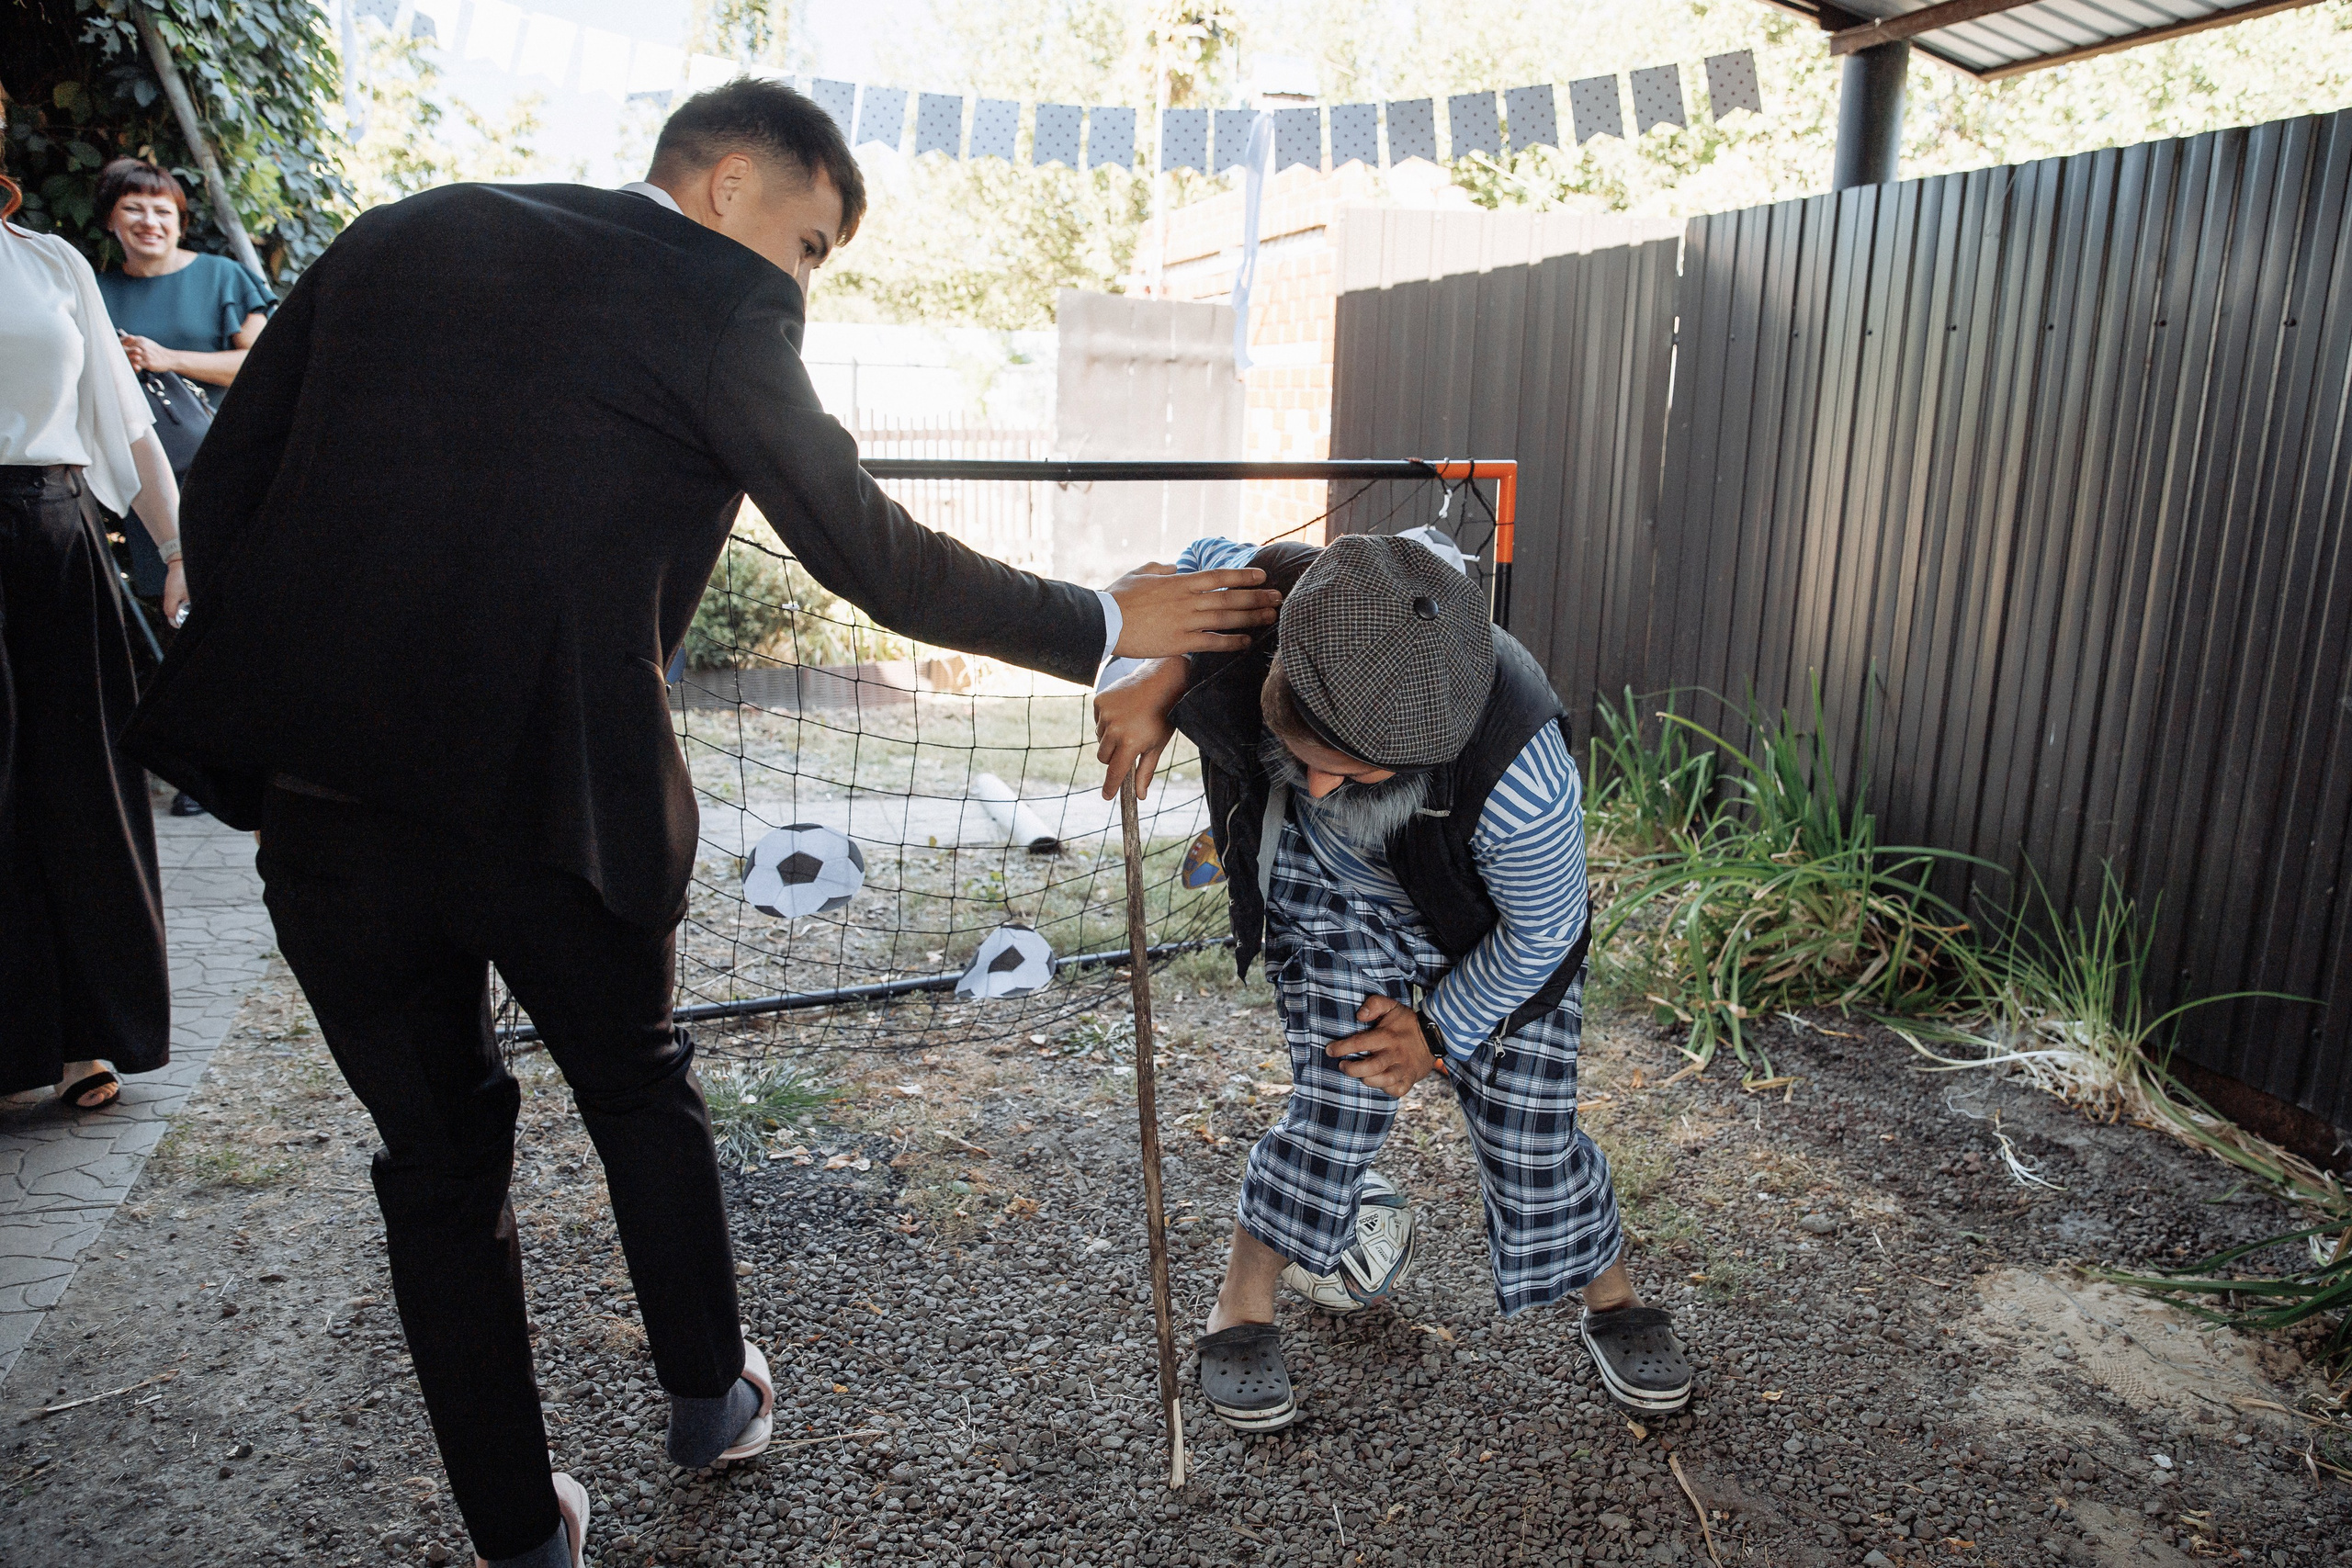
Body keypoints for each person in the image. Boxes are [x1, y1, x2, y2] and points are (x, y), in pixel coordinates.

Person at [121, 80, 1279, 1568]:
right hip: (567, 807)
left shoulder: (399, 235)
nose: (797, 282)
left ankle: (519, 1531)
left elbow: (228, 484)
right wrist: (1109, 618)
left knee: (434, 1160)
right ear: (734, 184)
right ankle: (709, 1399)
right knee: (636, 1084)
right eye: (808, 244)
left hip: (330, 816)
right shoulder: (717, 294)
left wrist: (278, 691)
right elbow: (870, 555)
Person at [1093, 533, 1693, 1434]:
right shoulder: (1304, 593)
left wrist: (1441, 1029)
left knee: (1528, 1128)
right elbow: (1168, 585)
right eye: (1302, 743)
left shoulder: (1522, 780)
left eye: (1356, 768)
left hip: (1492, 929)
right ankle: (1240, 1309)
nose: (1321, 785)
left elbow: (1546, 933)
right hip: (1337, 900)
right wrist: (1149, 681)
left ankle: (1613, 1303)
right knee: (1339, 1098)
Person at [0, 165, 187, 1114]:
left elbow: (129, 422)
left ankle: (89, 1037)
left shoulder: (48, 262)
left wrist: (177, 546)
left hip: (49, 526)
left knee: (82, 779)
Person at [91, 155, 274, 818]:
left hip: (228, 477)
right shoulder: (97, 291)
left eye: (163, 209)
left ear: (180, 218)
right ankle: (199, 771)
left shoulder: (222, 276)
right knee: (178, 621)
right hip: (145, 485)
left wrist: (169, 358)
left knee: (237, 613)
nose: (150, 220)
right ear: (111, 218)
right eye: (134, 208)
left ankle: (248, 759)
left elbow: (260, 359)